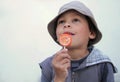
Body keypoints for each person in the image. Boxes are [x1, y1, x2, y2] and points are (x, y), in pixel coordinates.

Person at [39, 1, 117, 82]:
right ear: (57, 37)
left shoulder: (103, 64)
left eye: (75, 20)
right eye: (61, 22)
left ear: (91, 33)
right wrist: (59, 78)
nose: (66, 25)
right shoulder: (48, 65)